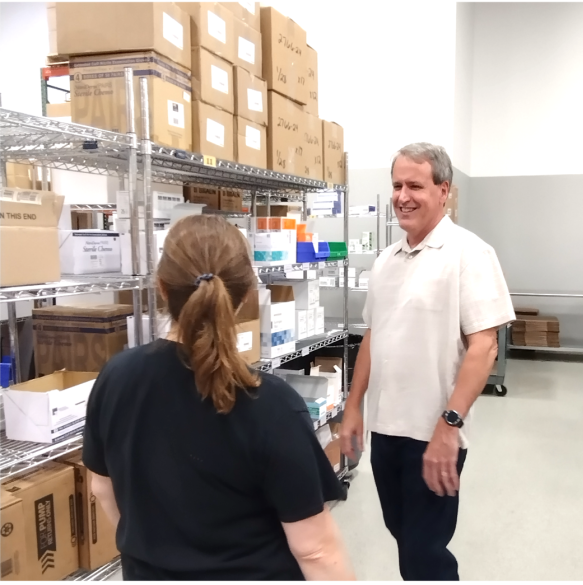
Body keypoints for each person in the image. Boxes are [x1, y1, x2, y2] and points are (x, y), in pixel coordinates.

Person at [83, 215, 356, 582]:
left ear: (161, 288)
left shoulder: (116, 378)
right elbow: (315, 549)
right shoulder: (272, 406)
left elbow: (102, 487)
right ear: (244, 297)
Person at [337, 142, 515, 581]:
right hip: (387, 429)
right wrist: (354, 407)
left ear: (444, 190)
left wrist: (448, 426)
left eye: (415, 184)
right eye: (396, 185)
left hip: (434, 433)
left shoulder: (468, 253)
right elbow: (373, 337)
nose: (402, 196)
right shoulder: (385, 262)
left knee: (425, 552)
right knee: (402, 535)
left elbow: (484, 346)